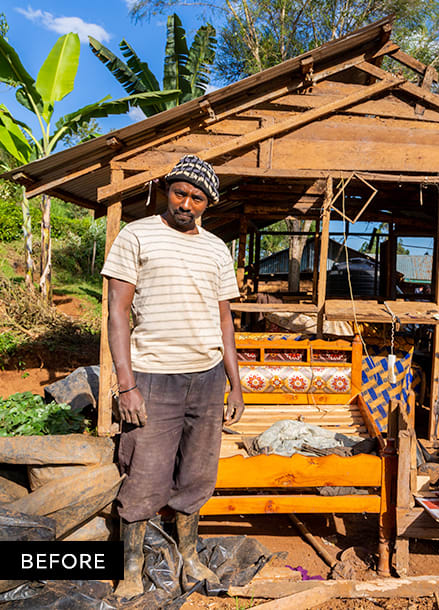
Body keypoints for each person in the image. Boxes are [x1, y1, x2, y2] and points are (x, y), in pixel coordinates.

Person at [101, 155, 244, 599]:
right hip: (153, 376)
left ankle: (191, 556)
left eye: (197, 198)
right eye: (180, 193)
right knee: (143, 476)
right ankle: (130, 569)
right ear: (168, 190)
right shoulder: (137, 235)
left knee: (198, 474)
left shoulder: (217, 248)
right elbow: (117, 312)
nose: (186, 203)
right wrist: (126, 385)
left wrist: (235, 383)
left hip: (206, 378)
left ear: (208, 203)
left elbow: (225, 321)